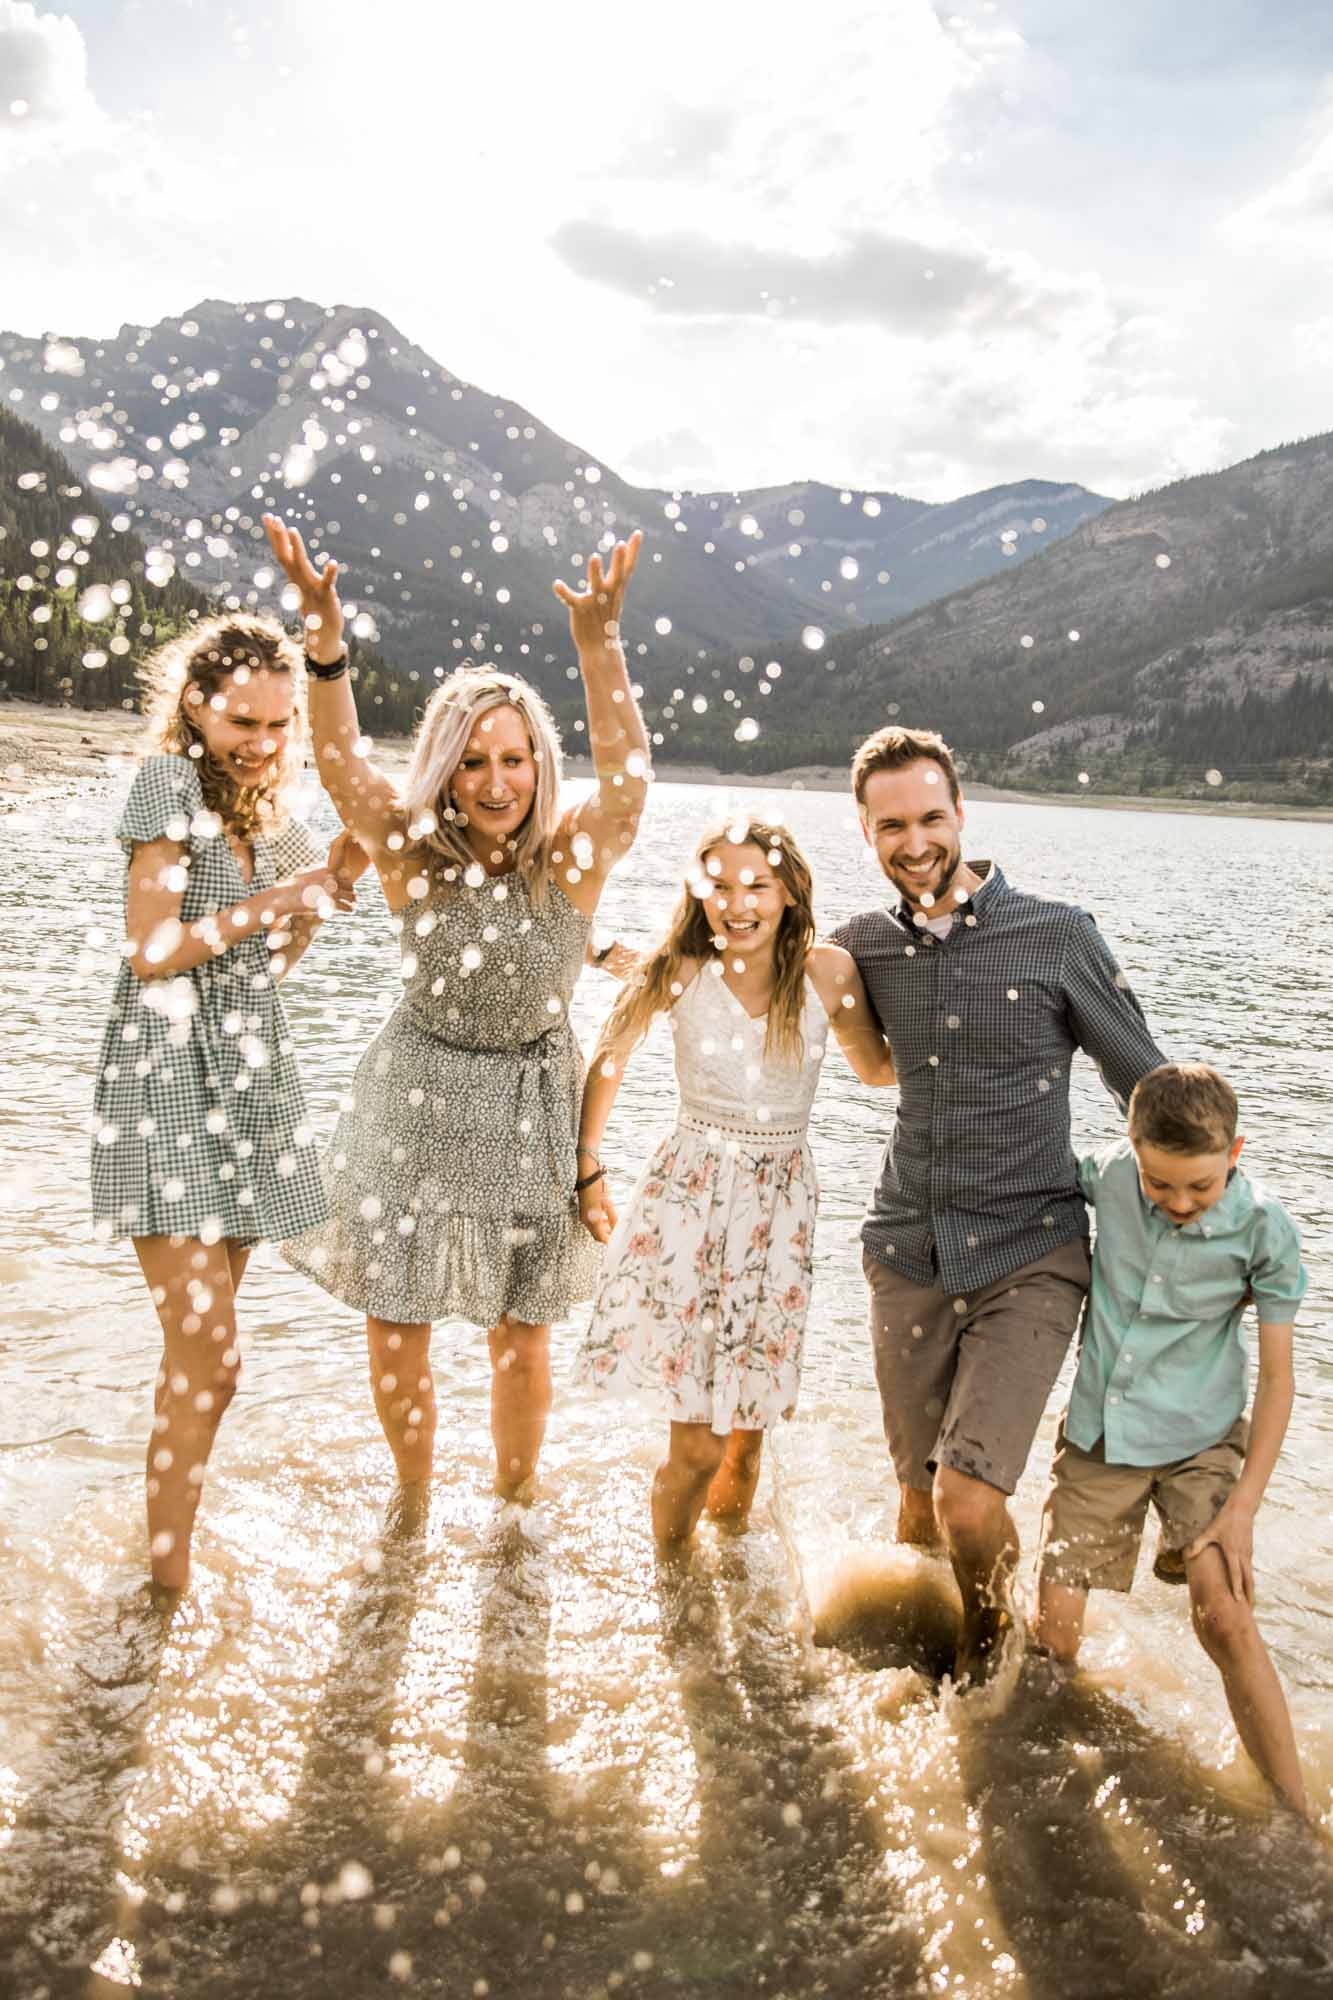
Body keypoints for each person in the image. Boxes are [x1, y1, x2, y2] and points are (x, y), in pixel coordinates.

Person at [263, 515, 650, 1509]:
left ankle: (515, 1509)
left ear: (540, 764)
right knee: (397, 1318)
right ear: (446, 766)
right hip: (417, 1096)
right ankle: (413, 1504)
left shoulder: (571, 861)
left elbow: (632, 780)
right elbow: (341, 754)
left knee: (522, 1332)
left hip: (531, 1099)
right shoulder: (408, 853)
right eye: (473, 761)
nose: (495, 782)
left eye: (514, 759)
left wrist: (599, 648)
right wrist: (325, 636)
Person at [832, 724, 1166, 1683]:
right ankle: (937, 1661)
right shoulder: (860, 951)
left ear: (960, 814)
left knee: (968, 1500)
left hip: (1033, 1252)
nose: (913, 839)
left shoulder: (1058, 936)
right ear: (866, 832)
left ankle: (990, 1665)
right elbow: (732, 948)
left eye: (929, 815)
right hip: (906, 1253)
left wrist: (1213, 1216)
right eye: (890, 824)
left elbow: (1144, 1084)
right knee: (915, 1502)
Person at [90, 613, 366, 1592]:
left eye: (278, 725)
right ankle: (163, 1582)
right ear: (196, 703)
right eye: (242, 720)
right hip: (166, 1076)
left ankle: (164, 1560)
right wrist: (273, 904)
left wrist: (323, 895)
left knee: (209, 1360)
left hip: (245, 1076)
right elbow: (152, 946)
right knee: (209, 1354)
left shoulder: (265, 810)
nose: (259, 742)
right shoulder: (168, 784)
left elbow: (271, 961)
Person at [574, 818, 896, 1544]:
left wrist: (966, 1039)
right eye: (719, 885)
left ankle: (724, 1570)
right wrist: (587, 1164)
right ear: (698, 891)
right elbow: (611, 1053)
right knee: (694, 1445)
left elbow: (877, 1069)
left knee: (747, 1436)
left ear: (789, 893)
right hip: (686, 1199)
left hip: (779, 1208)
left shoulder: (827, 973)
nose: (737, 902)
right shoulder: (680, 970)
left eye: (758, 886)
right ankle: (672, 1579)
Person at [1035, 1063, 1308, 1814]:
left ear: (1235, 1153)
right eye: (1159, 1184)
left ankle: (1295, 1813)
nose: (1178, 1202)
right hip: (1099, 1437)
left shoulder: (1264, 1229)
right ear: (1131, 1151)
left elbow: (1279, 1382)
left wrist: (1243, 1507)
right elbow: (1028, 1168)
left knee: (1223, 1613)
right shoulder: (1110, 1177)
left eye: (1200, 1185)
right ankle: (1046, 1785)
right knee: (1052, 1639)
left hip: (1201, 1443)